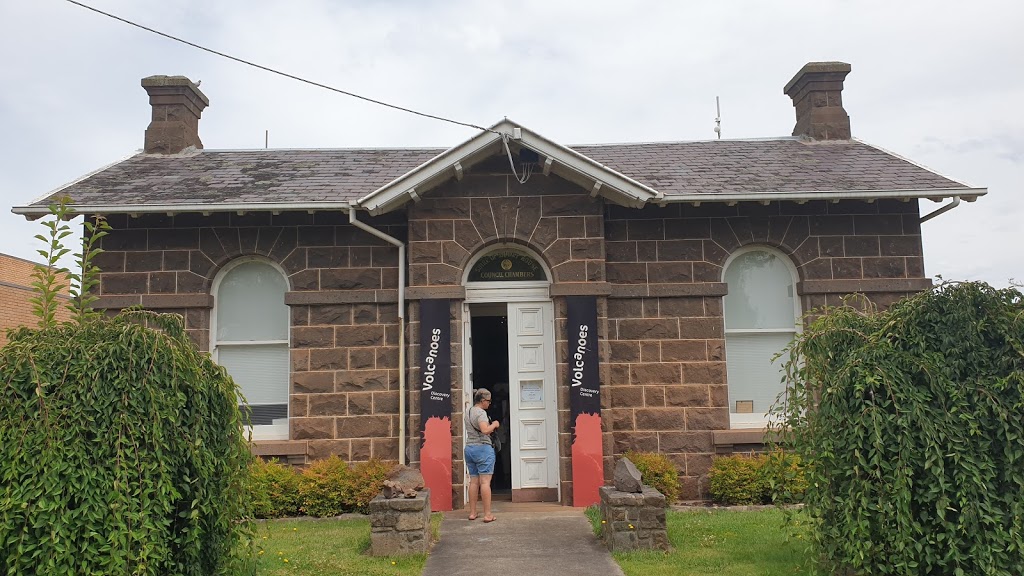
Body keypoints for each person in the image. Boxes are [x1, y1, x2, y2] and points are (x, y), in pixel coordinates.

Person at [465, 388, 499, 522]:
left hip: (469, 449)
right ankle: (488, 514)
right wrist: (495, 424)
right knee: (485, 482)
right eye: (489, 401)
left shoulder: (468, 412)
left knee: (474, 482)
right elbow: (485, 430)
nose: (489, 404)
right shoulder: (481, 413)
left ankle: (473, 513)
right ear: (483, 401)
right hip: (482, 449)